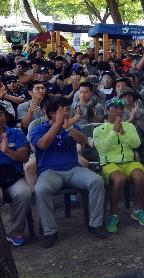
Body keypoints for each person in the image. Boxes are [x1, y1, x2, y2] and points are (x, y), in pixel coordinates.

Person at [31, 97, 108, 247]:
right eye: (63, 110)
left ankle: (95, 224)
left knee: (97, 181)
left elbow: (84, 141)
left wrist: (69, 128)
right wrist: (57, 124)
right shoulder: (39, 128)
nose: (67, 112)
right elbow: (42, 144)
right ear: (52, 113)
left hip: (73, 169)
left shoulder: (71, 126)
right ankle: (50, 232)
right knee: (40, 189)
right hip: (50, 171)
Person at [93, 98, 144, 234]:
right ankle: (113, 214)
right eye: (115, 109)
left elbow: (136, 144)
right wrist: (114, 132)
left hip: (129, 162)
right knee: (119, 179)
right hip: (109, 163)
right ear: (108, 111)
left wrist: (123, 132)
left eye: (121, 109)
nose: (119, 111)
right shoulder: (99, 129)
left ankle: (137, 210)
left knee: (140, 177)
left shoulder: (129, 126)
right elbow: (102, 149)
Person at [1, 104, 32, 246]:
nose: (0, 118)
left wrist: (7, 150)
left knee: (24, 193)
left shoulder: (16, 133)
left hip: (12, 175)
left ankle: (12, 231)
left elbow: (25, 157)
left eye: (1, 114)